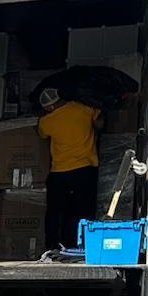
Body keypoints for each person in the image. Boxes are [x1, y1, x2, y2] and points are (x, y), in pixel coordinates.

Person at [37, 86, 103, 250]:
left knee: (55, 212)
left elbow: (41, 134)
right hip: (85, 168)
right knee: (84, 210)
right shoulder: (83, 108)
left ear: (49, 107)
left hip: (60, 172)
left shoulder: (47, 121)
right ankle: (83, 245)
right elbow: (99, 120)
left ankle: (53, 245)